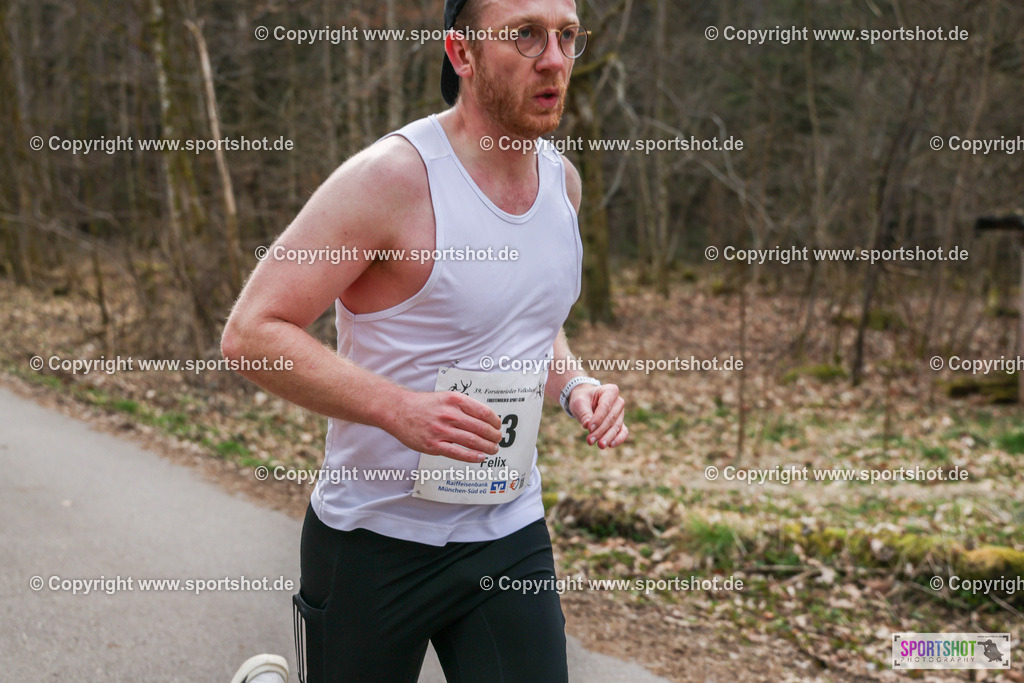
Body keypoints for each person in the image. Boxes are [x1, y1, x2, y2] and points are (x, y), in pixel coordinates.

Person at [222, 0, 628, 679]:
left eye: (566, 35)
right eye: (526, 36)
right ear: (461, 53)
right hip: (373, 538)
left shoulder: (564, 184)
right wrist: (398, 409)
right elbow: (251, 333)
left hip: (506, 530)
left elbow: (529, 320)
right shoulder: (391, 179)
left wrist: (574, 386)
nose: (555, 60)